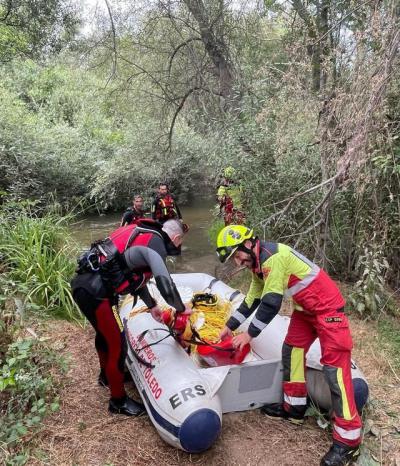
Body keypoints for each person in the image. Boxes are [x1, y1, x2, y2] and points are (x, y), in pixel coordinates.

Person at [216, 225, 362, 466]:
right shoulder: (258, 265)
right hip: (305, 311)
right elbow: (252, 299)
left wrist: (249, 335)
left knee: (334, 369)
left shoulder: (273, 258)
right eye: (233, 257)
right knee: (291, 351)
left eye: (236, 254)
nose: (236, 261)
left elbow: (271, 303)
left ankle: (349, 442)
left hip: (327, 310)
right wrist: (230, 326)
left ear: (249, 243)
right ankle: (294, 409)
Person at [71, 219, 190, 416]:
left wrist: (152, 305)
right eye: (180, 242)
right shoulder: (156, 244)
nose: (178, 247)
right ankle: (118, 401)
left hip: (83, 285)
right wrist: (180, 307)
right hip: (97, 293)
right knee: (118, 344)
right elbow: (165, 284)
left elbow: (133, 277)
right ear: (176, 238)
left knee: (105, 336)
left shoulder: (140, 232)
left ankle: (106, 377)